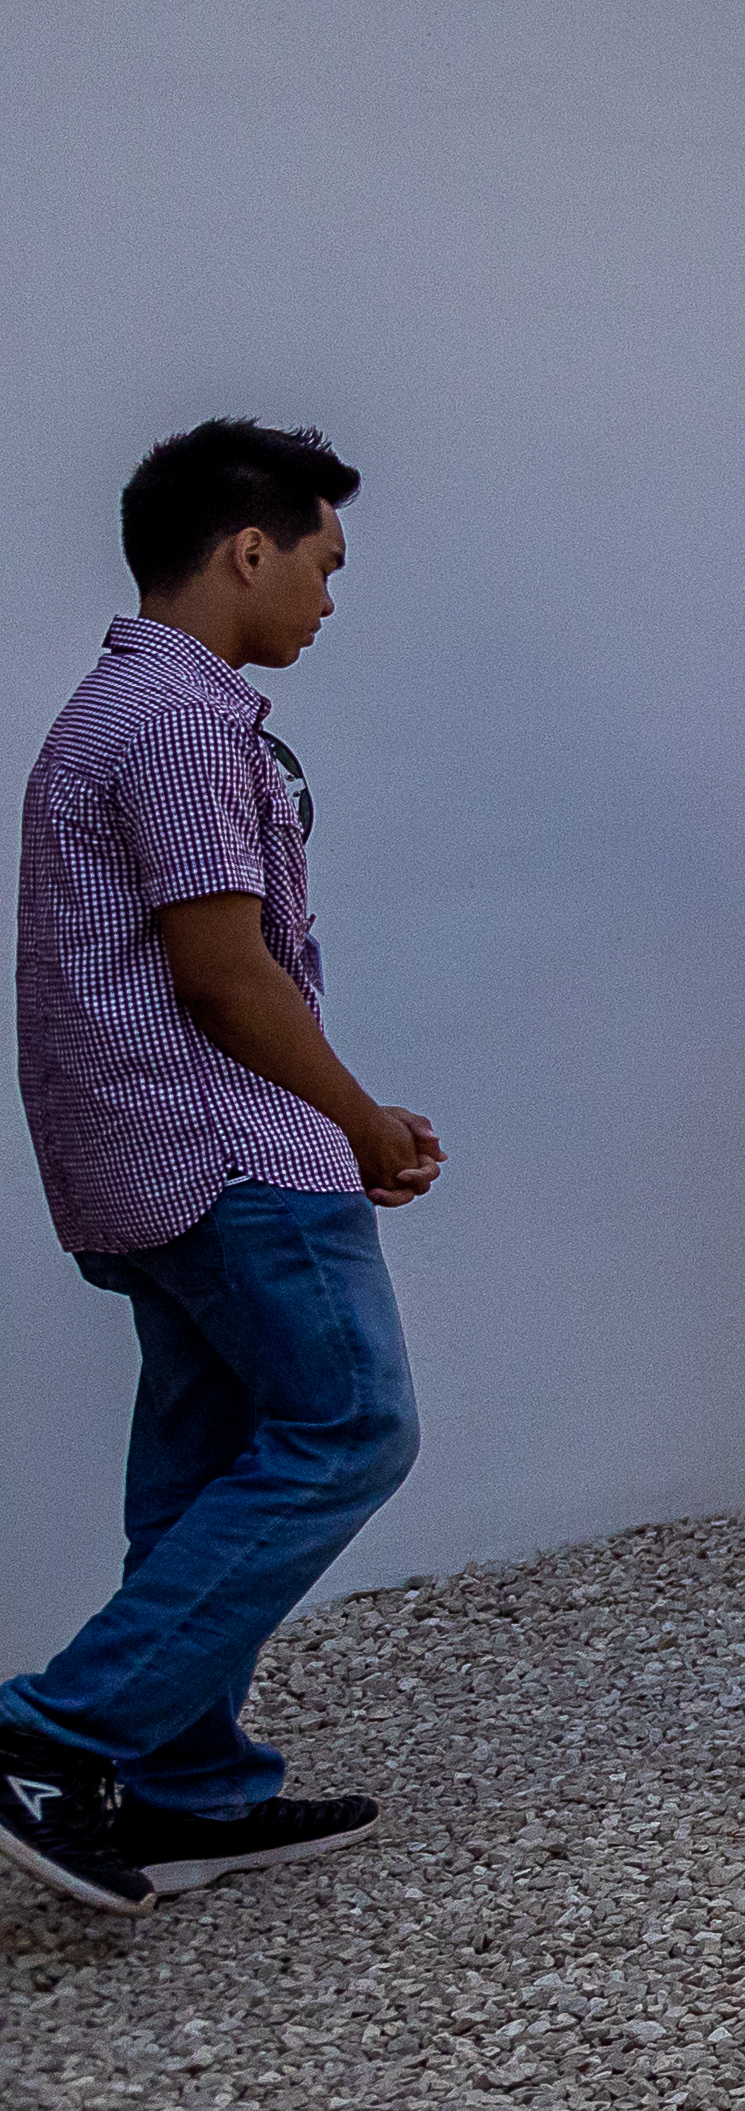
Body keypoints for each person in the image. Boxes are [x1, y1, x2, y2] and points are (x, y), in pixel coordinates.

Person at [2, 423, 431, 1920]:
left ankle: (186, 1789)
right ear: (249, 549)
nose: (328, 598)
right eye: (322, 563)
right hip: (226, 1149)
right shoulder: (179, 719)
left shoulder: (119, 705)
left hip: (137, 1150)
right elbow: (223, 971)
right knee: (353, 1426)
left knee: (196, 1468)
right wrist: (361, 1120)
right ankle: (46, 1730)